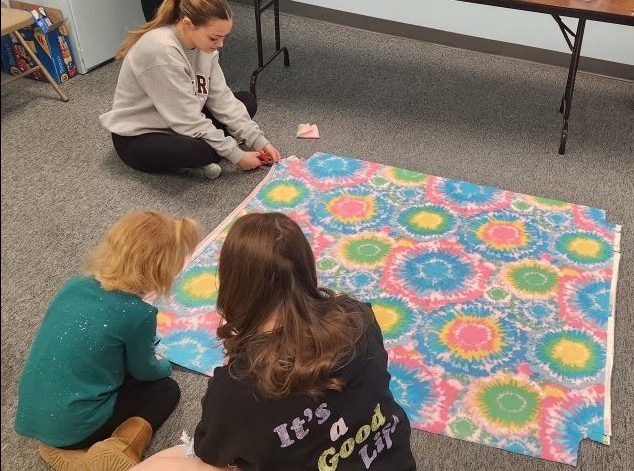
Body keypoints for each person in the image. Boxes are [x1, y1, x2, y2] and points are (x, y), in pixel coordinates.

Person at [131, 213, 416, 471]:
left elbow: (210, 451)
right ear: (307, 267)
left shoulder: (239, 388)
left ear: (235, 284)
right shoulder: (359, 316)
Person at [15, 211, 200, 471]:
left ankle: (57, 447)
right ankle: (117, 448)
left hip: (33, 414)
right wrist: (163, 364)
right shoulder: (138, 313)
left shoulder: (74, 285)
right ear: (162, 269)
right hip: (76, 426)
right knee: (166, 389)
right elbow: (145, 371)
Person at [100, 0, 282, 180]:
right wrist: (237, 155)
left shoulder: (204, 46)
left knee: (246, 101)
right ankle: (193, 160)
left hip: (179, 119)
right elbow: (187, 120)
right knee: (196, 151)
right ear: (187, 24)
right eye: (214, 38)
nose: (220, 45)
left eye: (223, 37)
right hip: (139, 136)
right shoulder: (161, 50)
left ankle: (204, 153)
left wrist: (259, 141)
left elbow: (222, 99)